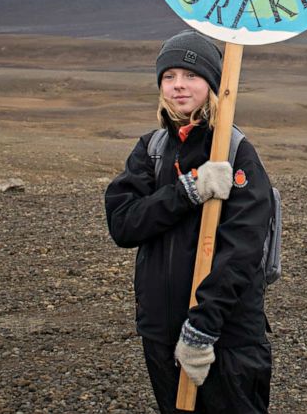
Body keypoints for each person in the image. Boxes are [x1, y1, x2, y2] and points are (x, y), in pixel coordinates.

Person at [105, 30, 273, 414]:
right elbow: (123, 224)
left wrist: (203, 327)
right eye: (169, 76)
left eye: (191, 76)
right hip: (162, 335)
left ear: (213, 83)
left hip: (225, 338)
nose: (178, 85)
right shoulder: (152, 150)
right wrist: (187, 191)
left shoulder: (234, 152)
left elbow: (242, 251)